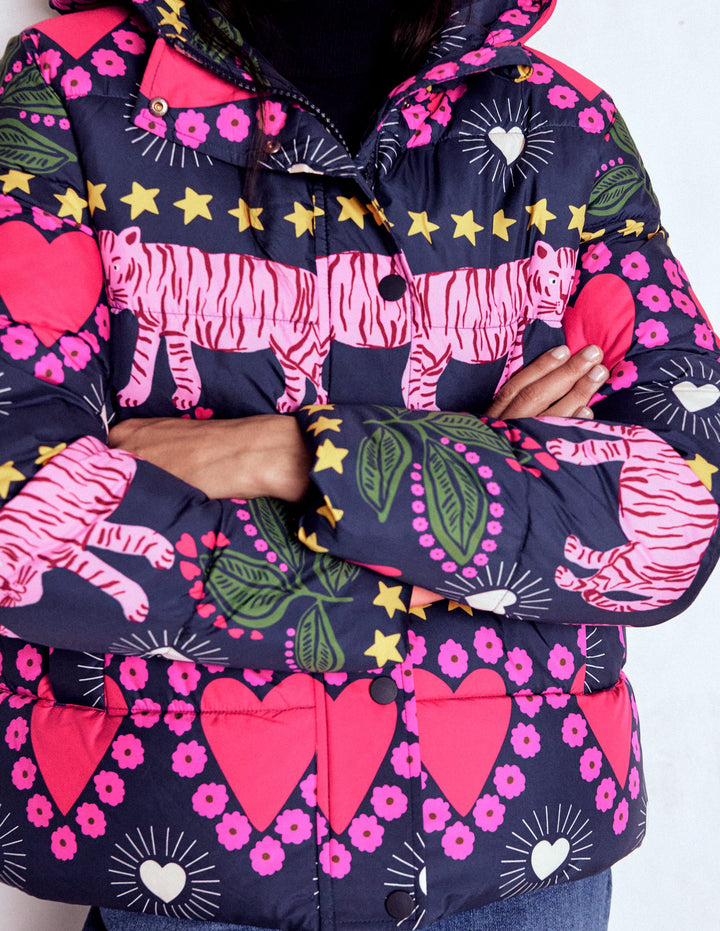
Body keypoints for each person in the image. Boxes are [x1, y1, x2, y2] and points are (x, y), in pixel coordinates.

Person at [0, 1, 717, 930]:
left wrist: (289, 453)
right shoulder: (72, 88)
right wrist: (487, 509)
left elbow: (673, 519)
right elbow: (24, 520)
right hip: (191, 857)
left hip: (518, 858)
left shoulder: (560, 120)